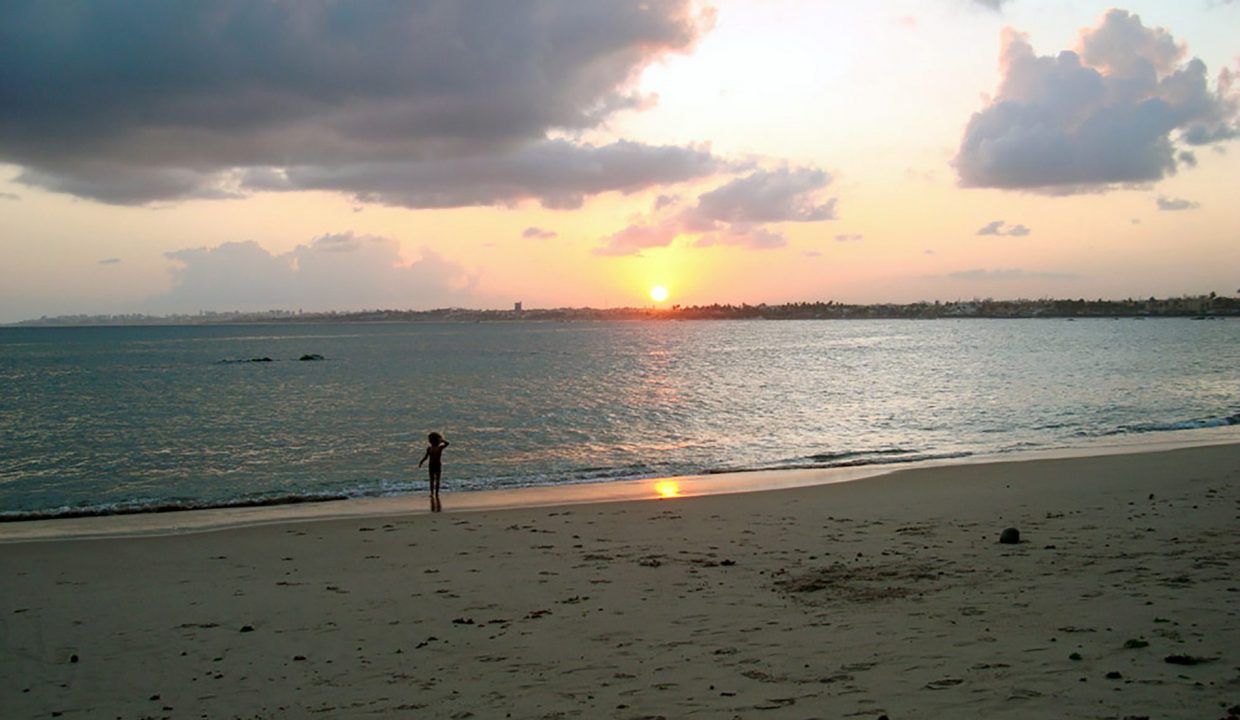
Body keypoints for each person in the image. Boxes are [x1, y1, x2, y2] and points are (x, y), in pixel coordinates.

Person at [418, 432, 449, 510]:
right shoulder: (430, 448)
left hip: (436, 465)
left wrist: (441, 440)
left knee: (436, 480)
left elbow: (447, 443)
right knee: (432, 479)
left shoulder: (439, 448)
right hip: (432, 465)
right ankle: (433, 493)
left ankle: (435, 493)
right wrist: (421, 461)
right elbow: (426, 457)